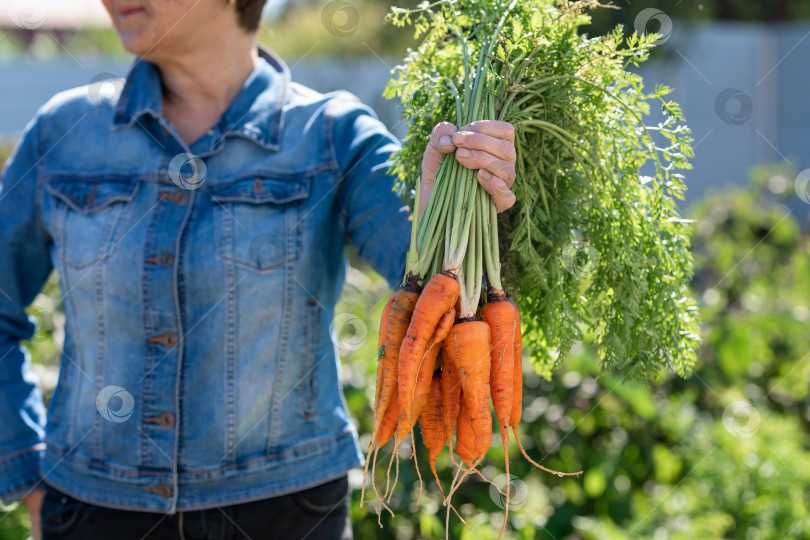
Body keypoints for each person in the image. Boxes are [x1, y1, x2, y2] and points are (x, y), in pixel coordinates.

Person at [0, 0, 517, 538]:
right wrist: (31, 485)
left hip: (285, 517)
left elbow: (436, 298)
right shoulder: (64, 132)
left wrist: (461, 199)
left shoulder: (333, 136)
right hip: (91, 511)